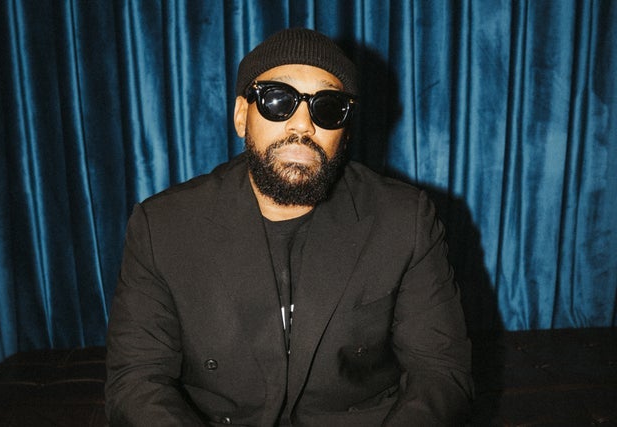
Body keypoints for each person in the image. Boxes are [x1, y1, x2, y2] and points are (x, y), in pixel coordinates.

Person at [105, 27, 474, 426]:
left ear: (345, 131)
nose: (302, 125)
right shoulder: (164, 227)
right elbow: (137, 381)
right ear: (242, 115)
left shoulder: (403, 220)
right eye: (278, 100)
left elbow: (440, 372)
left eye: (327, 108)